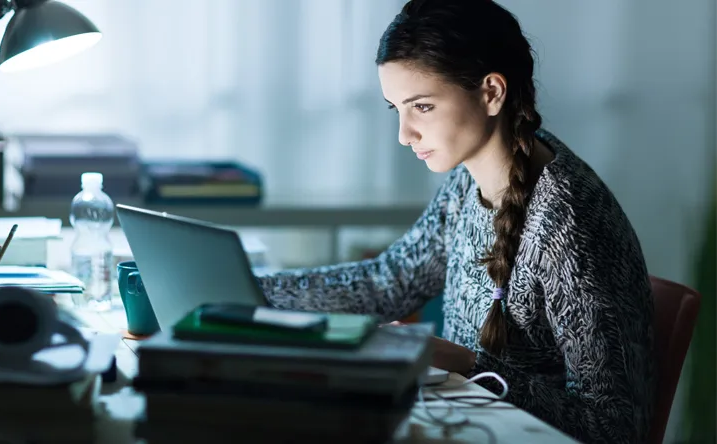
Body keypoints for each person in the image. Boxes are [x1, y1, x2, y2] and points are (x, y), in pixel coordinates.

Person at [257, 0, 655, 443]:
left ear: (491, 92)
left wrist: (468, 365)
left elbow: (615, 429)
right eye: (396, 109)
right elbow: (391, 281)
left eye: (422, 107)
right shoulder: (475, 176)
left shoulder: (568, 225)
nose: (404, 135)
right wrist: (253, 292)